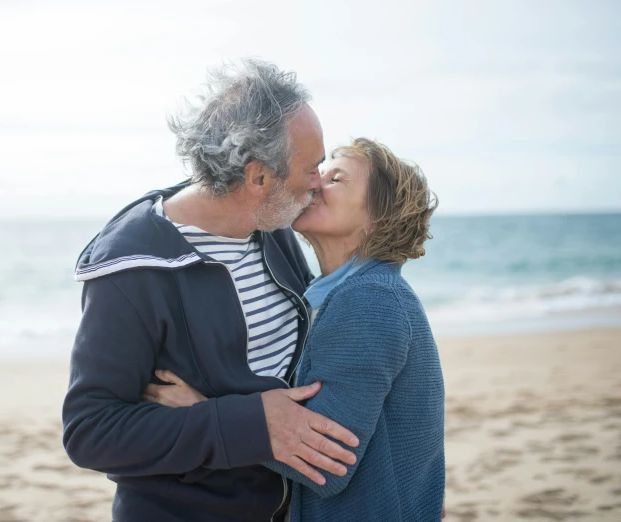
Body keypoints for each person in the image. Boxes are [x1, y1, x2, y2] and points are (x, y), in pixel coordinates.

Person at [61, 59, 360, 522]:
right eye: (312, 167)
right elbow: (91, 432)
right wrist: (247, 425)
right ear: (259, 177)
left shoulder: (270, 224)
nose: (319, 182)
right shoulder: (130, 268)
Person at [145, 138, 446, 521]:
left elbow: (325, 463)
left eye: (336, 178)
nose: (316, 182)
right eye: (321, 172)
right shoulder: (340, 293)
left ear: (377, 219)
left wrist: (203, 413)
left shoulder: (370, 301)